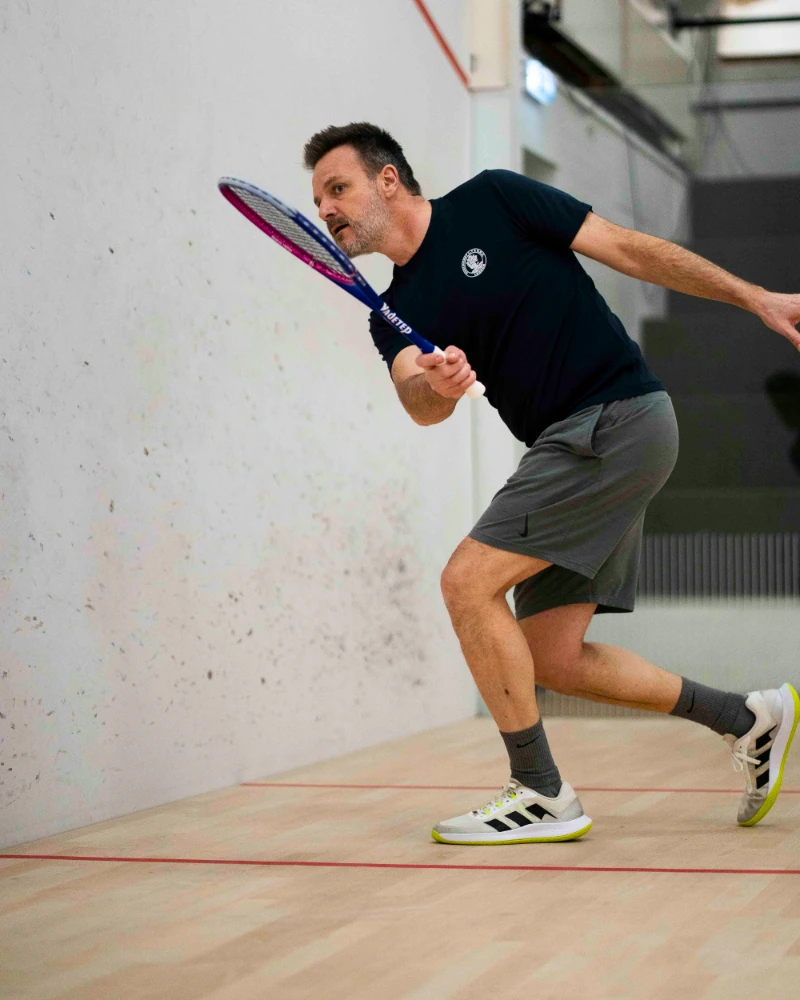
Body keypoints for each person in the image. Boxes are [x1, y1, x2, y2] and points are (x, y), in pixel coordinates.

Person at [304, 121, 800, 845]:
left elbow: (629, 248)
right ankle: (749, 717)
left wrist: (753, 296)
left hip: (612, 420)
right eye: (318, 201)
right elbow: (419, 404)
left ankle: (541, 794)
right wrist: (439, 384)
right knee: (551, 656)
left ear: (387, 179)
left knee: (466, 583)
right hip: (577, 444)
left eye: (337, 188)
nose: (326, 210)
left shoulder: (495, 200)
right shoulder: (393, 315)